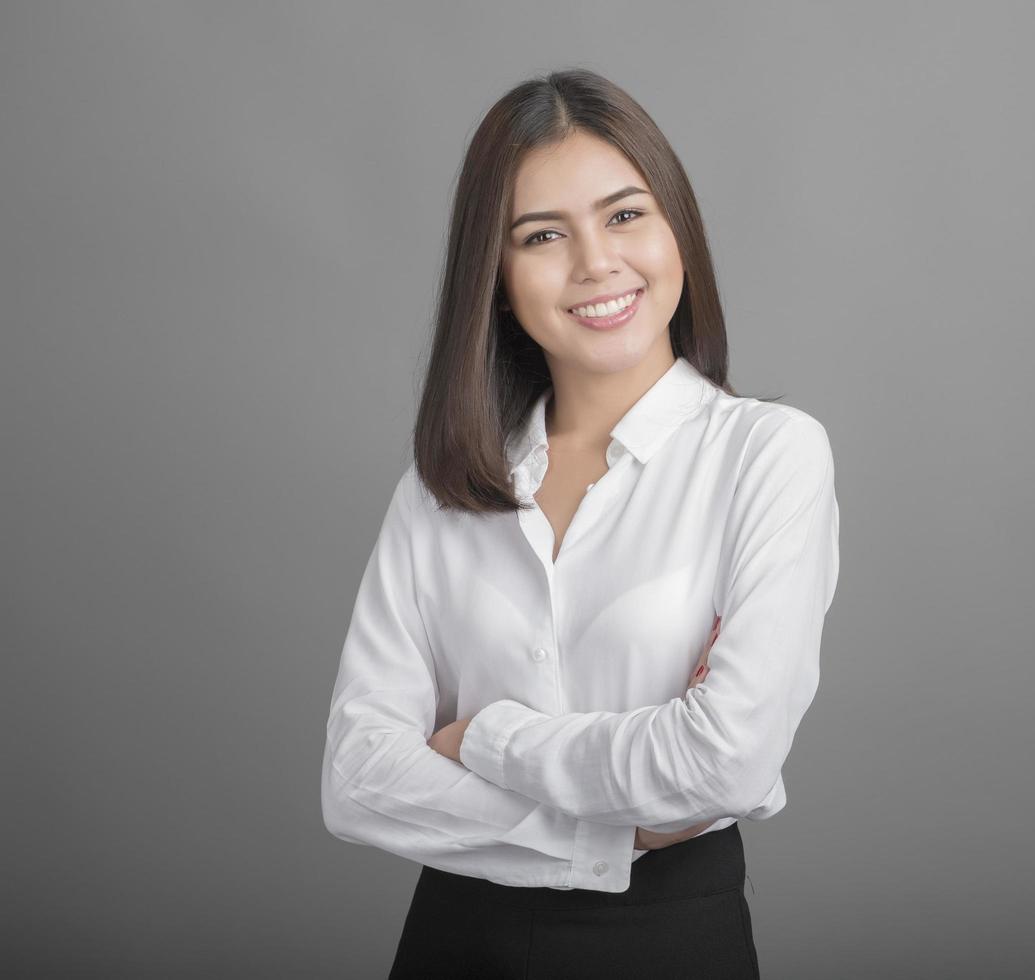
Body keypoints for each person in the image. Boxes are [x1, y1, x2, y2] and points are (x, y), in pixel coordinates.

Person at [319, 67, 840, 979]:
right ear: (498, 277)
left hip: (674, 942)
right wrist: (611, 831)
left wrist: (482, 738)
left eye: (626, 214)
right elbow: (359, 781)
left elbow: (726, 762)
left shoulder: (767, 455)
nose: (596, 262)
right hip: (453, 942)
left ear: (679, 227)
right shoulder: (440, 488)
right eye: (543, 235)